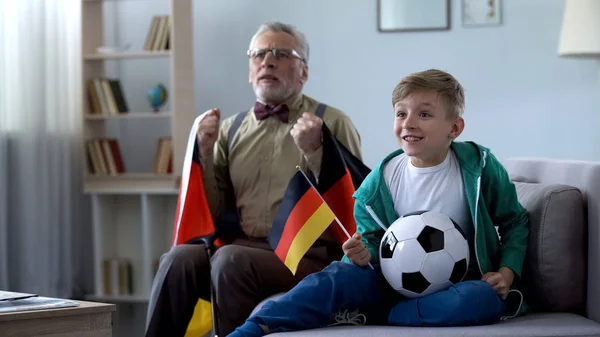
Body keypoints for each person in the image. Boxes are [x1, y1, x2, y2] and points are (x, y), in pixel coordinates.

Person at [228, 69, 530, 337]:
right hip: (389, 285)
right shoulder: (379, 181)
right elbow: (373, 243)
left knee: (481, 298)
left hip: (460, 286)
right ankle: (255, 327)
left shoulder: (480, 166)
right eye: (401, 114)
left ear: (455, 128)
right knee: (337, 276)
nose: (409, 123)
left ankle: (379, 315)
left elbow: (514, 222)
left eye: (424, 115)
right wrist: (361, 254)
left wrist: (505, 272)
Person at [144, 21, 363, 337]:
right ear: (250, 70)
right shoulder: (230, 129)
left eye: (281, 54)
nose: (268, 61)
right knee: (179, 258)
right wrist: (204, 155)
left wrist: (317, 152)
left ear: (303, 72)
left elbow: (353, 203)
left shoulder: (332, 121)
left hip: (308, 255)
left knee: (230, 260)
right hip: (242, 246)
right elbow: (213, 214)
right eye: (259, 54)